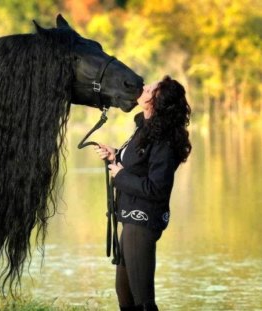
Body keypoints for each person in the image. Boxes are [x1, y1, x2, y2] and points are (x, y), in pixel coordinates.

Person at [94, 76, 192, 311]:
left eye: (151, 90)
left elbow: (157, 188)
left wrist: (120, 175)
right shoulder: (145, 130)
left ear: (156, 103)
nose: (144, 88)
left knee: (143, 300)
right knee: (125, 296)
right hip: (130, 219)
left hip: (143, 221)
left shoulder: (163, 141)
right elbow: (138, 163)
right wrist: (115, 155)